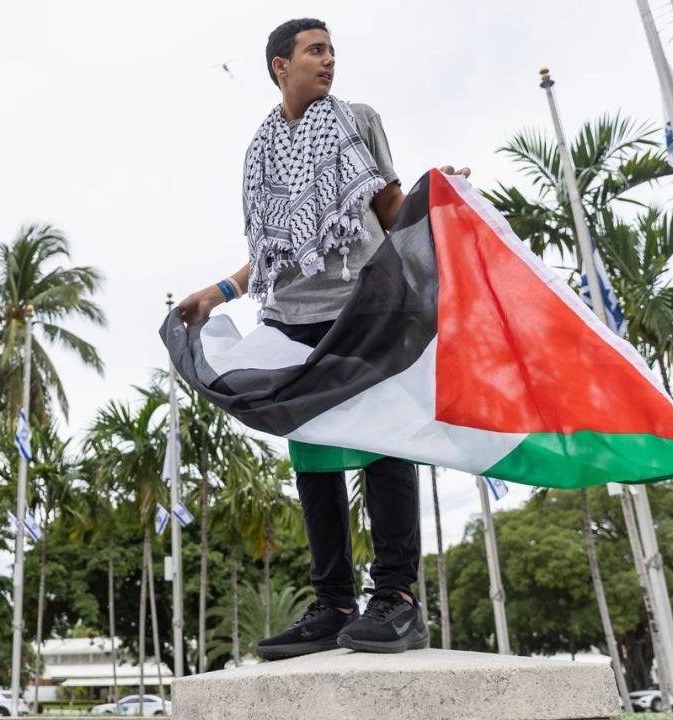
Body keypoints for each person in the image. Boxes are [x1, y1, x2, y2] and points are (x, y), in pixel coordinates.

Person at [177, 18, 469, 658]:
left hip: (363, 307)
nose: (329, 60)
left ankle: (397, 598)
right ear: (281, 65)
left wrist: (433, 200)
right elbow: (275, 251)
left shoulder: (357, 118)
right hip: (288, 317)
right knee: (312, 456)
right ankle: (333, 603)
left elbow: (389, 210)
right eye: (315, 51)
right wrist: (219, 293)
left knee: (386, 442)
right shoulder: (259, 148)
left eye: (332, 50)